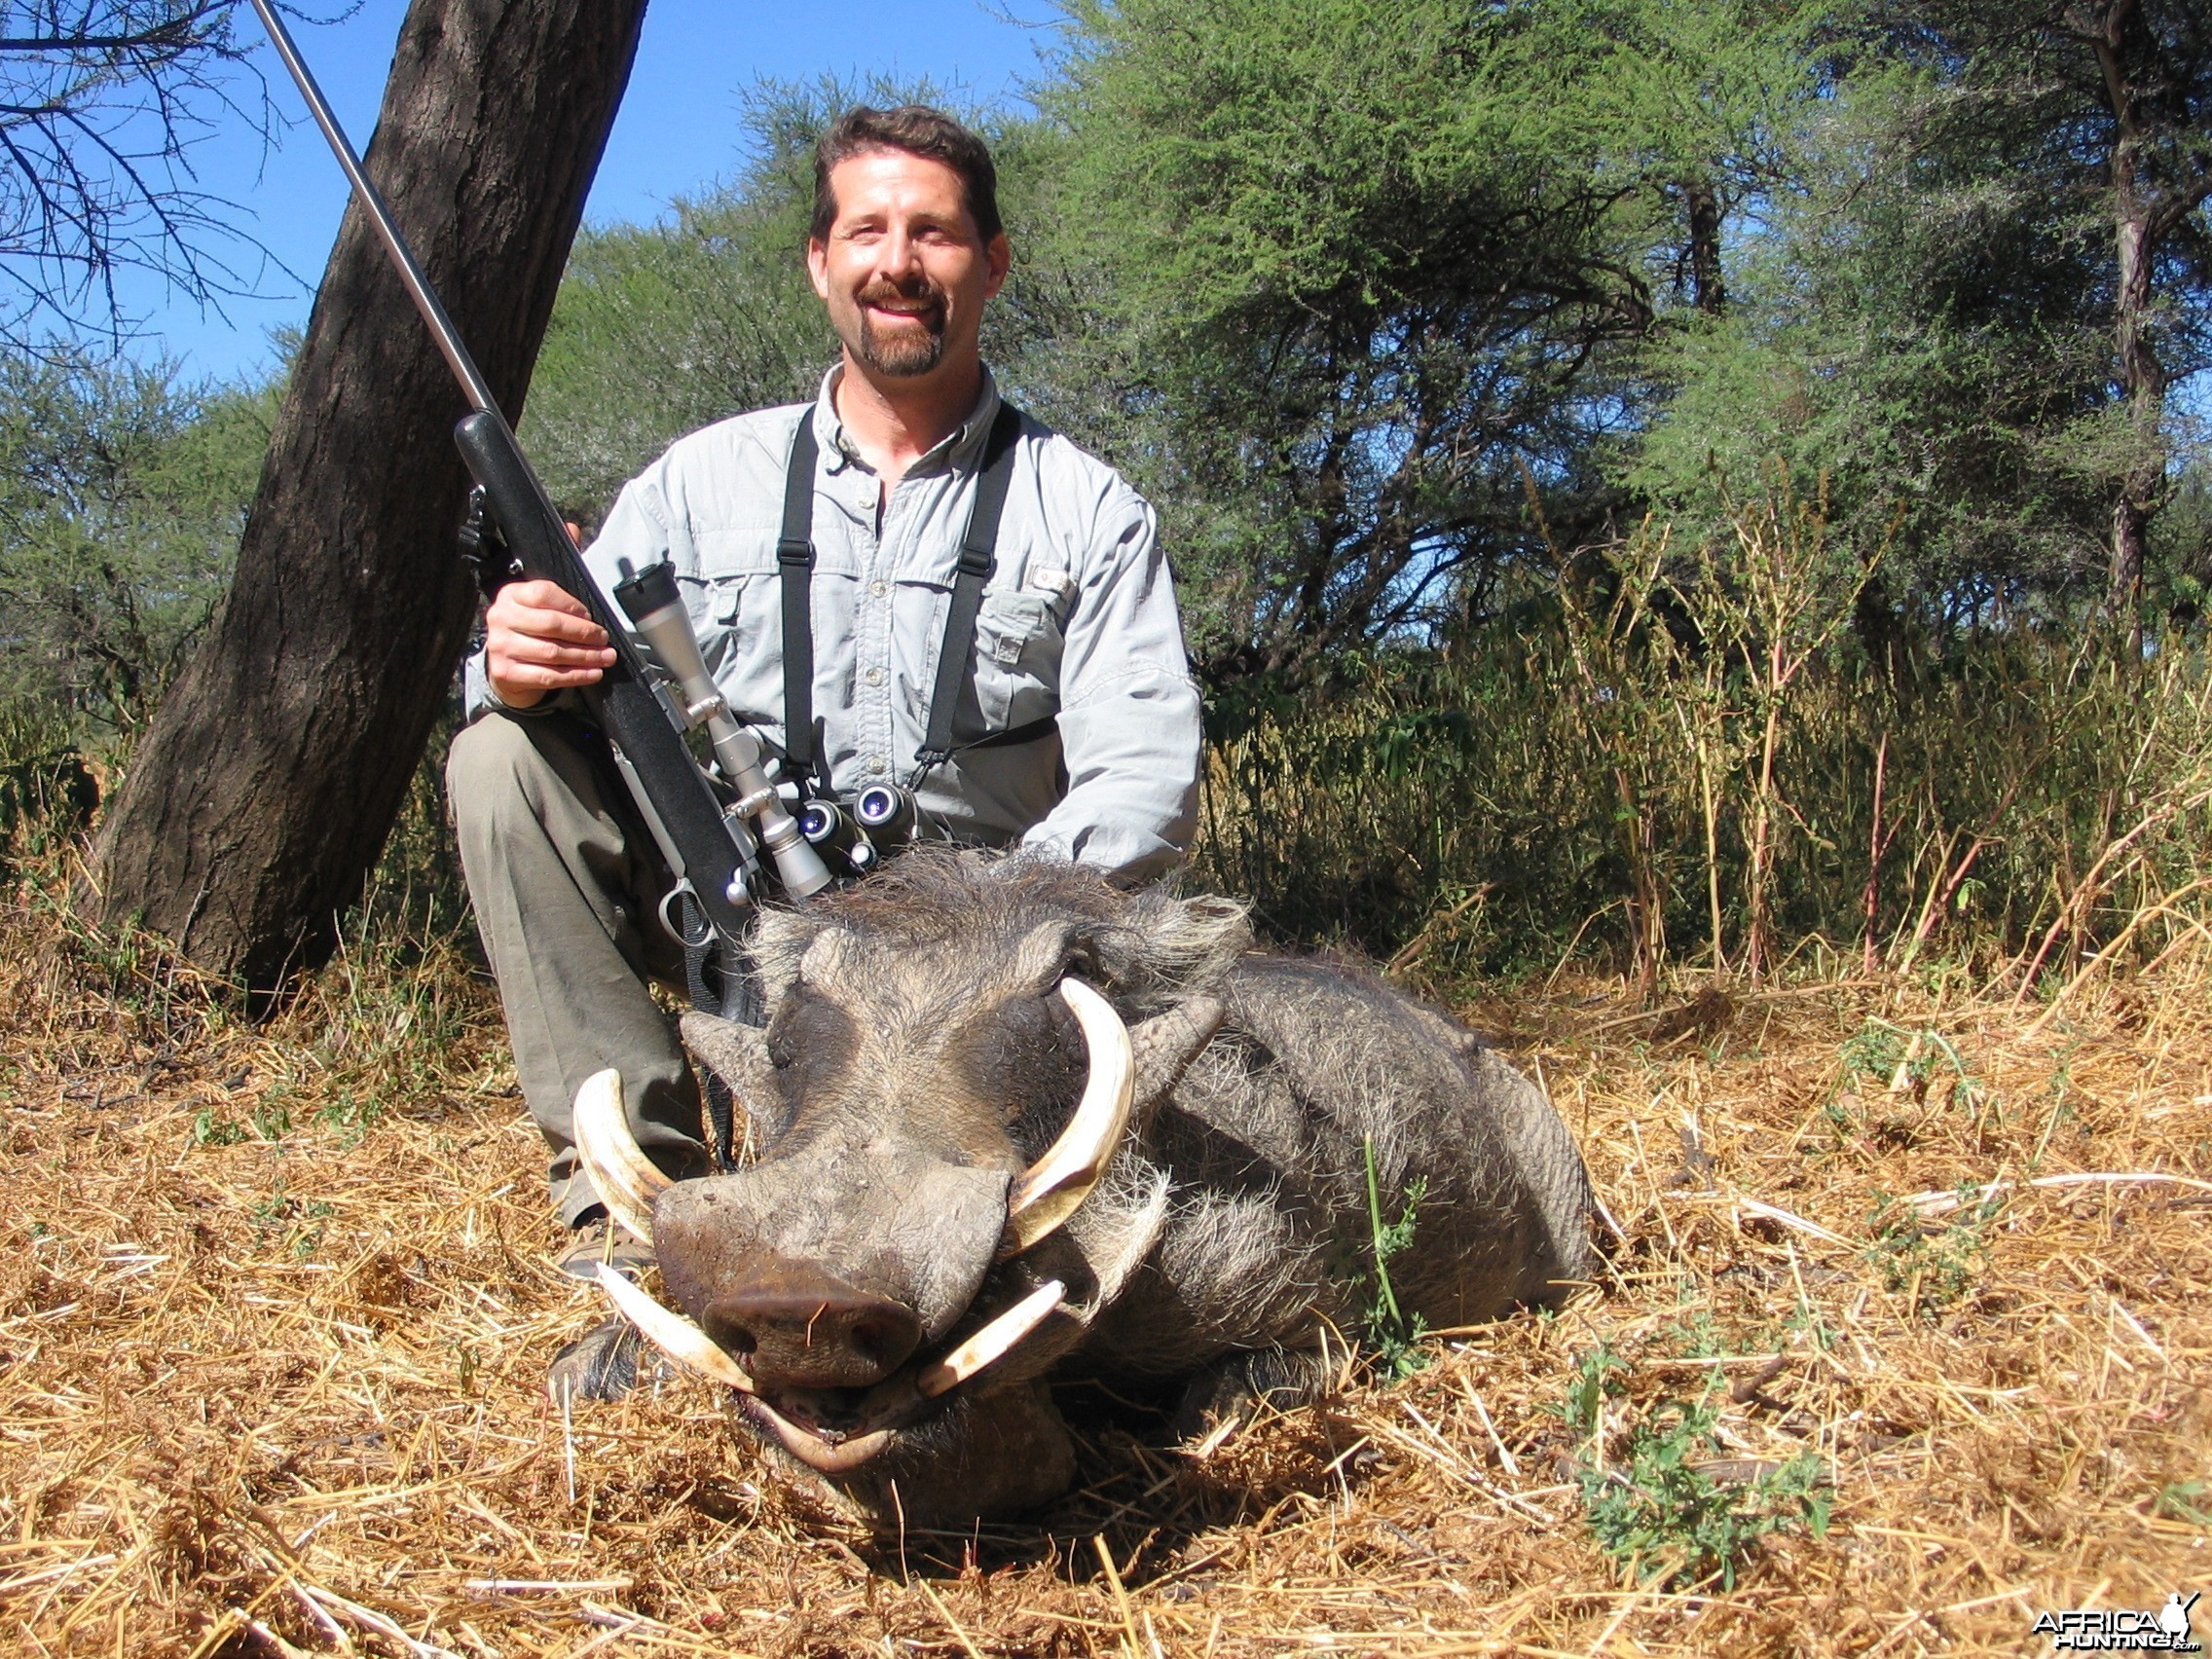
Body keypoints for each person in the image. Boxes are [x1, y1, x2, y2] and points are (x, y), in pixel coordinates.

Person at [443, 106, 1203, 1391]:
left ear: (992, 263)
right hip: (744, 917)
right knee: (498, 759)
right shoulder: (698, 482)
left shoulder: (1089, 508)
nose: (899, 261)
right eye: (869, 229)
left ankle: (963, 1248)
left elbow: (1146, 783)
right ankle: (642, 1224)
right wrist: (508, 659)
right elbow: (560, 670)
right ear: (818, 262)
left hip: (972, 962)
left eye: (935, 232)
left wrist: (980, 923)